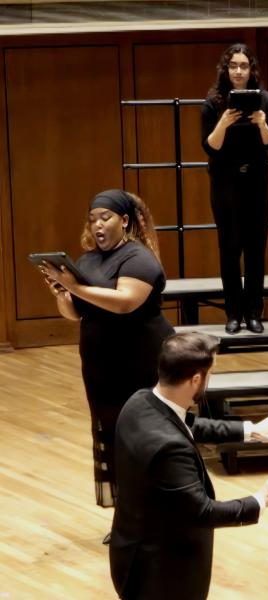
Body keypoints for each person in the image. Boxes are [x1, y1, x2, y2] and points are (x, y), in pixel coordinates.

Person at [109, 332, 268, 600]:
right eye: (210, 375)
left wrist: (251, 429)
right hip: (164, 572)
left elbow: (188, 423)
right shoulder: (169, 449)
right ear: (196, 379)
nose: (209, 381)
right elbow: (203, 512)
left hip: (131, 549)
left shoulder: (139, 402)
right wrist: (261, 499)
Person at [40, 189, 175, 516]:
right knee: (114, 438)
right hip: (101, 367)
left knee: (142, 438)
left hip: (140, 362)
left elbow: (125, 302)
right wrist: (61, 293)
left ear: (124, 220)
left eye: (105, 218)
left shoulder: (138, 258)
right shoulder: (87, 260)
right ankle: (129, 516)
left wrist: (73, 286)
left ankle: (159, 512)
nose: (97, 225)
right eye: (92, 219)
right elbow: (77, 313)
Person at [201, 43, 268, 335]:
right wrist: (222, 123)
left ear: (251, 70)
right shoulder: (213, 102)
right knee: (229, 249)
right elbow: (210, 146)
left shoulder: (266, 101)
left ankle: (254, 312)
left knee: (256, 249)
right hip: (225, 183)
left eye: (243, 66)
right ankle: (233, 313)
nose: (238, 71)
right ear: (226, 69)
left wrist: (261, 123)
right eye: (233, 65)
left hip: (256, 183)